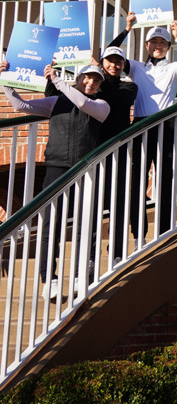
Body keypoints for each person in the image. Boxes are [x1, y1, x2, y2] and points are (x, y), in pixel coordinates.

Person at [2, 63, 110, 298]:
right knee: (50, 225)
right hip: (56, 168)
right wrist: (5, 80)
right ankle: (48, 279)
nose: (90, 83)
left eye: (96, 81)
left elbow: (81, 103)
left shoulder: (101, 106)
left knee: (85, 224)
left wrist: (58, 80)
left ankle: (81, 274)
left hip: (85, 168)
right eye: (87, 78)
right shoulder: (55, 102)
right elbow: (20, 105)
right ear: (79, 78)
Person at [107, 15, 177, 238]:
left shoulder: (174, 68)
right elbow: (109, 53)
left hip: (166, 127)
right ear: (147, 45)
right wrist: (127, 29)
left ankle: (164, 231)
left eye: (163, 43)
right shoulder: (135, 67)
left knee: (165, 179)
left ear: (168, 47)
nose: (158, 46)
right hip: (140, 126)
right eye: (154, 42)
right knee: (137, 181)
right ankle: (139, 233)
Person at [93, 44, 138, 262]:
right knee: (92, 205)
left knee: (118, 203)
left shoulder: (129, 87)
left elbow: (120, 100)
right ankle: (91, 255)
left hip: (118, 151)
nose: (114, 65)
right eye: (109, 61)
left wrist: (99, 75)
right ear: (103, 63)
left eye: (118, 62)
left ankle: (117, 252)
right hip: (93, 151)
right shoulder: (94, 84)